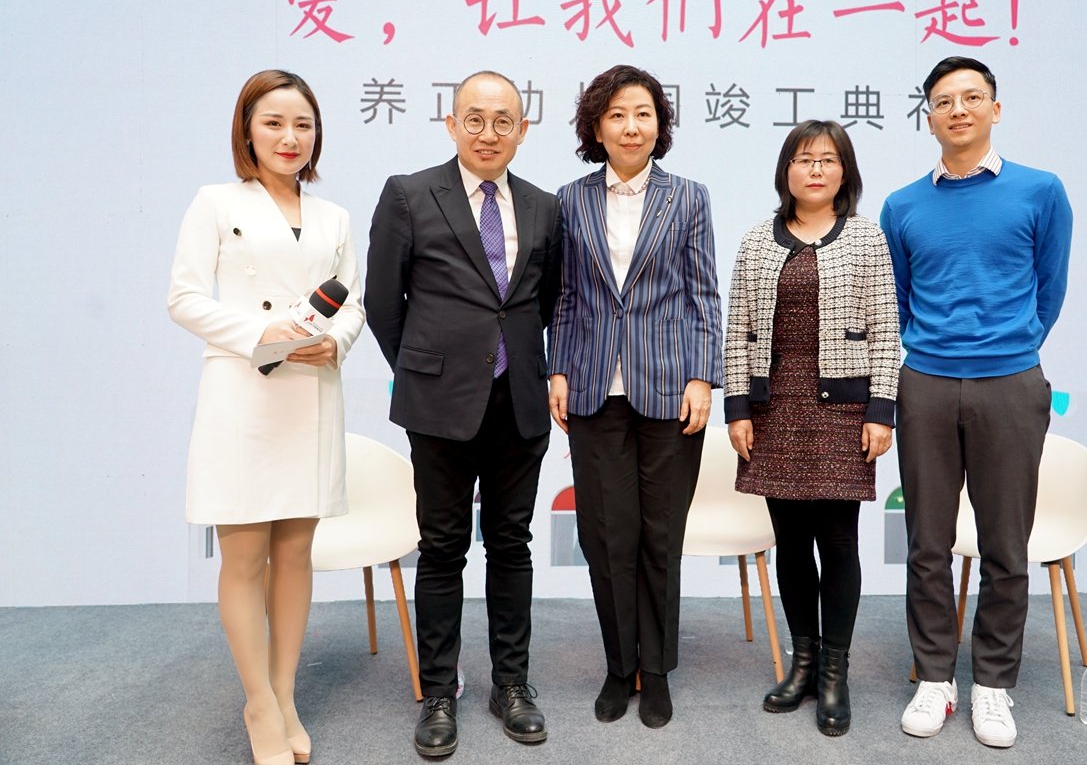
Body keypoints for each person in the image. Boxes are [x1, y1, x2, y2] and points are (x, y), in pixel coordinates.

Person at [167, 70, 364, 765]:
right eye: (274, 123)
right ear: (247, 130)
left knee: (296, 553)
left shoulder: (334, 215)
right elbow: (184, 298)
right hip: (244, 395)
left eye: (302, 124)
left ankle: (285, 694)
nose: (289, 137)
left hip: (310, 389)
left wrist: (333, 343)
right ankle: (258, 703)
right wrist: (262, 334)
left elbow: (354, 301)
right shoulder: (215, 202)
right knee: (245, 556)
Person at [364, 70, 561, 758]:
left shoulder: (544, 206)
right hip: (439, 404)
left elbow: (546, 302)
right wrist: (426, 370)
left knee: (511, 546)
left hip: (520, 402)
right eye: (474, 119)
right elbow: (383, 303)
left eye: (503, 121)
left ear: (522, 130)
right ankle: (439, 692)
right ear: (451, 124)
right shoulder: (410, 194)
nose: (487, 133)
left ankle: (512, 684)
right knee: (443, 548)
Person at [881, 56, 1072, 748]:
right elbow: (900, 298)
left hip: (1011, 384)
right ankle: (935, 678)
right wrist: (935, 349)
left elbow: (1049, 288)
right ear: (928, 117)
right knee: (927, 542)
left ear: (995, 108)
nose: (957, 110)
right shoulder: (902, 205)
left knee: (1005, 545)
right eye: (943, 101)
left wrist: (1009, 347)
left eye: (971, 97)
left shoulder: (1040, 191)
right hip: (926, 384)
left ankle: (992, 684)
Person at [547, 64, 723, 729]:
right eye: (617, 114)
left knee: (659, 536)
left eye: (643, 113)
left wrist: (702, 376)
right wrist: (558, 369)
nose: (630, 126)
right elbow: (564, 295)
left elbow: (703, 293)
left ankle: (659, 669)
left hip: (670, 388)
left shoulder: (690, 197)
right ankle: (620, 666)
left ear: (659, 125)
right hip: (594, 388)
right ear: (596, 127)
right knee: (605, 535)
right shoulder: (569, 200)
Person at [723, 120, 900, 736]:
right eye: (803, 159)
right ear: (786, 172)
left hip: (843, 412)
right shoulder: (756, 241)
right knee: (792, 544)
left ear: (844, 171)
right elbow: (737, 328)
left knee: (840, 543)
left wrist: (881, 410)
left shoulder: (866, 239)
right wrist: (738, 408)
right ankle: (802, 664)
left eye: (827, 159)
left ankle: (834, 674)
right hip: (774, 411)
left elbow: (887, 329)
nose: (815, 169)